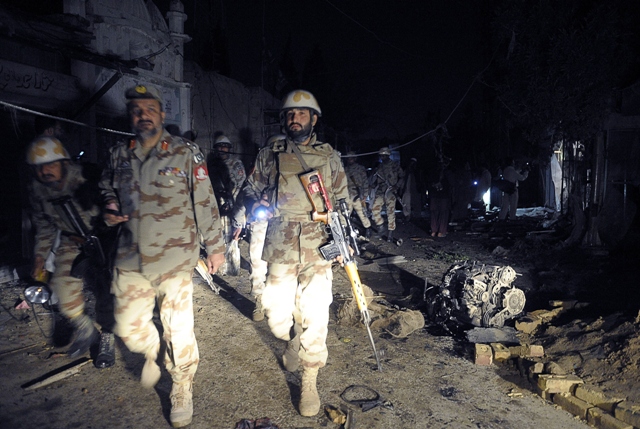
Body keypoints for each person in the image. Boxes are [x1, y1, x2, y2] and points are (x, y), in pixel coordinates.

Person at [99, 84, 225, 428]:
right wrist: (109, 205)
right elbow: (106, 185)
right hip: (130, 257)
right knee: (128, 329)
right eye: (137, 110)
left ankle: (182, 386)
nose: (143, 115)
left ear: (162, 114)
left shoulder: (185, 152)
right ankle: (151, 350)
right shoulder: (119, 154)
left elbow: (205, 200)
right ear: (131, 116)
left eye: (149, 109)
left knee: (178, 329)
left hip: (174, 259)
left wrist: (215, 246)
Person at [243, 89, 349, 417]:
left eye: (302, 114)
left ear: (313, 119)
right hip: (280, 243)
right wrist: (254, 202)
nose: (295, 119)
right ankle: (291, 339)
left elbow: (342, 202)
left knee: (316, 313)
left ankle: (310, 380)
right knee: (277, 318)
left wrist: (344, 245)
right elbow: (249, 188)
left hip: (318, 247)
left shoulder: (330, 156)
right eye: (290, 114)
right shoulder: (269, 153)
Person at [26, 136, 116, 368]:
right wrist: (40, 255)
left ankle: (107, 336)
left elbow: (113, 198)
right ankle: (87, 331)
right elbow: (44, 224)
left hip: (105, 239)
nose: (45, 171)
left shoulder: (87, 177)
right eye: (39, 167)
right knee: (62, 290)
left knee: (108, 290)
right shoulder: (38, 191)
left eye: (51, 164)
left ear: (64, 163)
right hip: (72, 241)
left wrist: (111, 213)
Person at [245, 134, 285, 322]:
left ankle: (277, 301)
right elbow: (249, 186)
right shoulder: (263, 160)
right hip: (263, 216)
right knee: (257, 258)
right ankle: (259, 298)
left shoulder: (297, 159)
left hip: (286, 218)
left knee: (283, 262)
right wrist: (255, 204)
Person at [208, 135, 247, 275]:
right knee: (218, 234)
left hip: (234, 204)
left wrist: (233, 200)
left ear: (229, 148)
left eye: (225, 146)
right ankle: (220, 263)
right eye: (220, 146)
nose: (222, 149)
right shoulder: (212, 164)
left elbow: (241, 184)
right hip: (217, 204)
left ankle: (231, 264)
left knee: (232, 235)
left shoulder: (236, 164)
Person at [370, 146, 404, 242]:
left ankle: (390, 234)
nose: (382, 157)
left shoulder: (395, 165)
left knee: (390, 212)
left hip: (390, 192)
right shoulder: (380, 166)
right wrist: (373, 185)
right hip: (381, 191)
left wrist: (397, 186)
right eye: (381, 156)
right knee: (374, 209)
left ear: (388, 155)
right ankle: (381, 228)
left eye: (384, 156)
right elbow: (377, 179)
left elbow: (402, 177)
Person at [343, 151, 372, 238]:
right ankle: (345, 231)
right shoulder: (345, 169)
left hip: (358, 194)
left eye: (351, 158)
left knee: (362, 214)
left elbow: (365, 182)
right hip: (348, 194)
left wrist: (365, 195)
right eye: (348, 158)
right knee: (345, 214)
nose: (349, 160)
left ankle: (368, 229)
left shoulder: (360, 168)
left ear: (355, 158)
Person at [428, 159, 454, 237]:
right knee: (443, 213)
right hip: (443, 196)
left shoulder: (433, 171)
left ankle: (434, 231)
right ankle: (441, 232)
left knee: (434, 213)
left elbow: (429, 182)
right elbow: (452, 184)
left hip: (435, 195)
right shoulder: (447, 173)